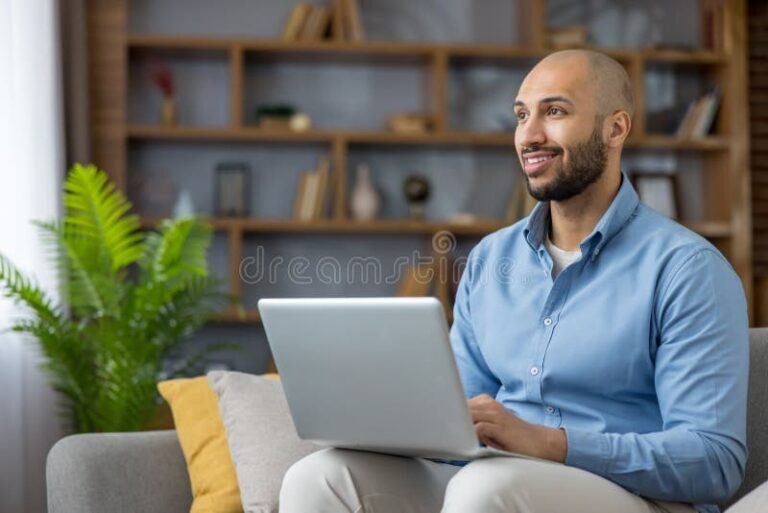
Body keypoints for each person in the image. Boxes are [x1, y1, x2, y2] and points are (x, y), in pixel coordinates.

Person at [278, 49, 749, 513]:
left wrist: (550, 444)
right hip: (492, 482)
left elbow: (714, 460)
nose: (530, 135)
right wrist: (397, 427)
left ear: (616, 128)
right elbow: (460, 419)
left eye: (555, 111)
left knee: (484, 488)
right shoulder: (489, 259)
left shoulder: (688, 269)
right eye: (522, 115)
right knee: (319, 478)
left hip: (633, 497)